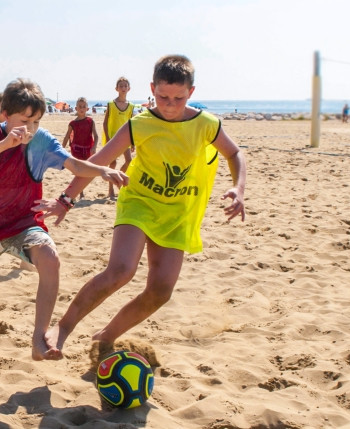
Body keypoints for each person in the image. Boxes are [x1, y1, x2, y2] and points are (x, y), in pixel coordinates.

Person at [37, 54, 247, 358]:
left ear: (191, 92)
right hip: (139, 202)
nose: (170, 104)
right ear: (152, 89)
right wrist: (65, 200)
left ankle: (107, 336)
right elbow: (100, 160)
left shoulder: (206, 124)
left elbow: (234, 153)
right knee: (121, 270)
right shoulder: (140, 124)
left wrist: (238, 188)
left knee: (161, 291)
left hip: (178, 213)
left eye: (178, 98)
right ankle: (64, 327)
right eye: (163, 97)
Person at [0, 78, 127, 361]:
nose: (30, 129)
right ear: (4, 114)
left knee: (50, 258)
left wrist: (101, 171)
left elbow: (73, 164)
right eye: (24, 121)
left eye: (36, 121)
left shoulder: (42, 139)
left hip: (23, 223)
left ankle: (38, 339)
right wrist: (4, 145)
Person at [102, 77, 137, 199]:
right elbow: (105, 123)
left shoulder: (131, 106)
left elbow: (131, 124)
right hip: (113, 138)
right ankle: (110, 189)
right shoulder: (111, 104)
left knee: (129, 161)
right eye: (121, 86)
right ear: (116, 89)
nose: (123, 88)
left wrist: (132, 142)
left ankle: (118, 178)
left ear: (129, 88)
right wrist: (107, 138)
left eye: (125, 86)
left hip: (125, 138)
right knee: (113, 162)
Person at [61, 97, 99, 198]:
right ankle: (81, 192)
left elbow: (96, 136)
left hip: (88, 148)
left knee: (86, 170)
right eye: (80, 106)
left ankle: (80, 189)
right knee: (79, 170)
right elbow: (67, 136)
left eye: (84, 106)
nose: (82, 108)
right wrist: (61, 149)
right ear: (76, 108)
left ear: (87, 109)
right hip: (76, 149)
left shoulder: (90, 121)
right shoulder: (72, 123)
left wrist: (94, 147)